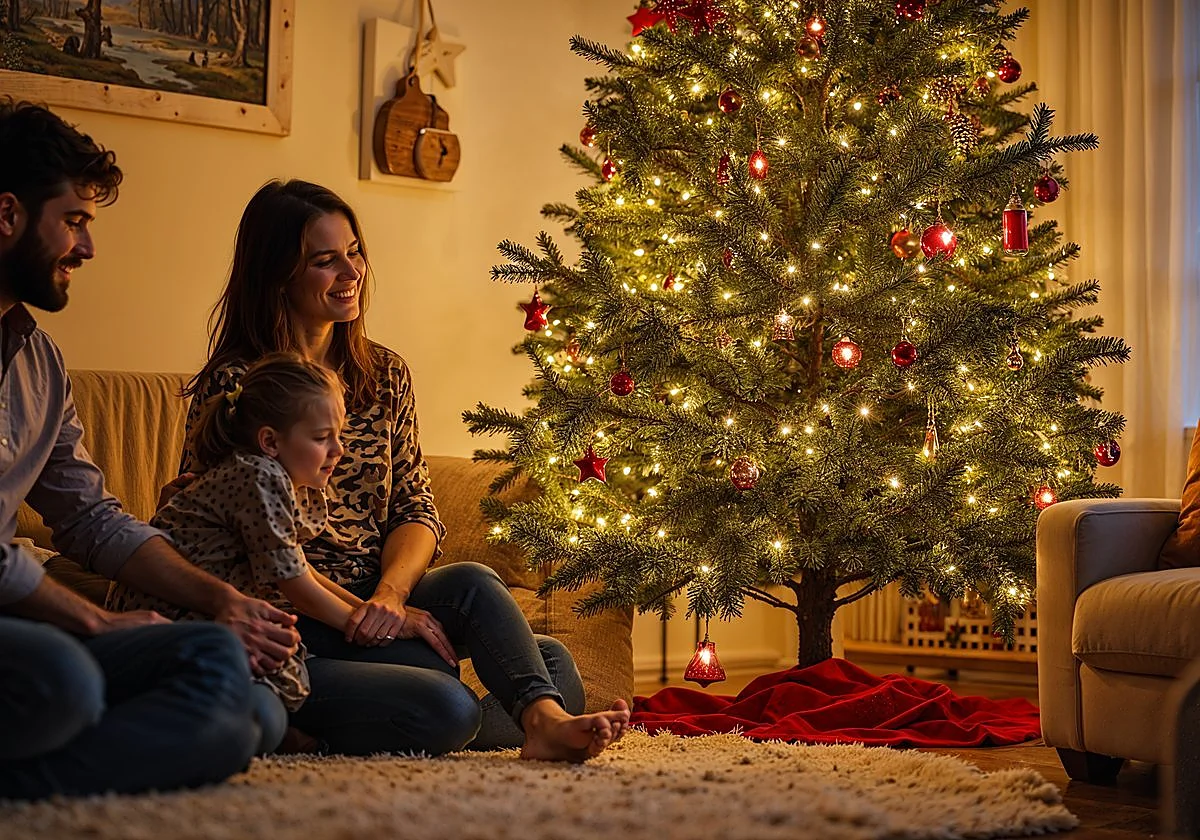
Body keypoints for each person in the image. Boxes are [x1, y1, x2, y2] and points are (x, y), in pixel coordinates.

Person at [172, 179, 629, 761]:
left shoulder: (384, 373)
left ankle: (538, 718)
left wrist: (390, 598)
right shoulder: (239, 389)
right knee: (453, 705)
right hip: (292, 621)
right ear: (277, 272)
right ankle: (410, 710)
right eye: (325, 260)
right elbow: (236, 553)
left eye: (354, 252)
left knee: (491, 604)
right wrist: (368, 617)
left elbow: (415, 504)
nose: (351, 272)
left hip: (370, 598)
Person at [0, 100, 300, 799]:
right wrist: (97, 621)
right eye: (73, 221)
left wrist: (221, 598)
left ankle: (40, 765)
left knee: (238, 694)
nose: (88, 248)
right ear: (8, 214)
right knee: (65, 678)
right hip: (30, 639)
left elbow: (92, 520)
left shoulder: (39, 362)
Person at [109, 354, 355, 741]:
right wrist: (356, 625)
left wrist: (363, 611)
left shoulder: (272, 474)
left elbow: (299, 566)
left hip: (214, 614)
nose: (338, 450)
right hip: (176, 618)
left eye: (338, 435)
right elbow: (292, 582)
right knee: (271, 687)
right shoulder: (258, 475)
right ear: (270, 441)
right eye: (322, 438)